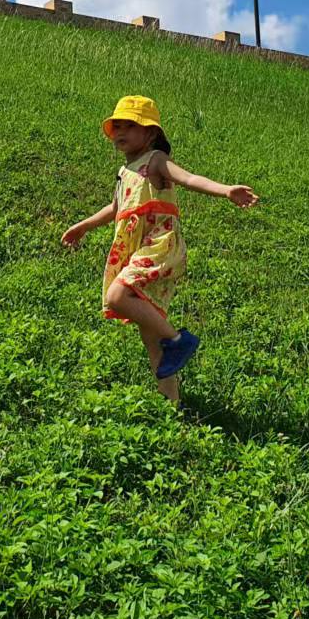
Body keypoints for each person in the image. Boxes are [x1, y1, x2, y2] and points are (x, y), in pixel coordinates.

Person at [61, 95, 258, 404]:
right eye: (117, 127)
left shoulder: (155, 160)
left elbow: (190, 178)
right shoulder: (125, 172)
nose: (121, 132)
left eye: (130, 125)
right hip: (137, 248)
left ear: (150, 133)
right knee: (151, 336)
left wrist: (226, 190)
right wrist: (83, 226)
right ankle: (172, 406)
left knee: (117, 295)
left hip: (158, 244)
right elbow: (114, 208)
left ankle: (179, 340)